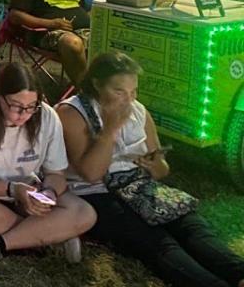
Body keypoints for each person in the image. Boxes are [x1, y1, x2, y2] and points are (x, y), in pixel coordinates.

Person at [58, 52, 244, 287]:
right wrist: (110, 130)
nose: (128, 99)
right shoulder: (71, 113)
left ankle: (239, 274)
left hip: (138, 183)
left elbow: (161, 169)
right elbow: (90, 173)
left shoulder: (138, 111)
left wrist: (155, 166)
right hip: (96, 191)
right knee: (154, 241)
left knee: (191, 226)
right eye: (119, 91)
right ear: (96, 83)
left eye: (133, 91)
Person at [0, 62, 95, 262]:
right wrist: (12, 190)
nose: (23, 114)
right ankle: (48, 235)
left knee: (84, 213)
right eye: (16, 106)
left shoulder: (47, 116)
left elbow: (56, 175)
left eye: (31, 107)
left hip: (29, 192)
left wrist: (48, 193)